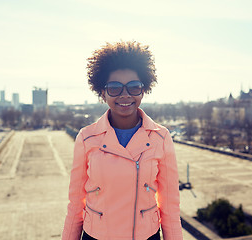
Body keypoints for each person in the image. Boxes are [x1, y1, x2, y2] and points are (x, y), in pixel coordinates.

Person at [62, 41, 183, 240]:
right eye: (115, 87)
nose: (125, 95)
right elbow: (75, 204)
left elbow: (170, 206)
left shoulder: (161, 138)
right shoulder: (86, 138)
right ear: (102, 92)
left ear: (144, 90)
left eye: (134, 87)